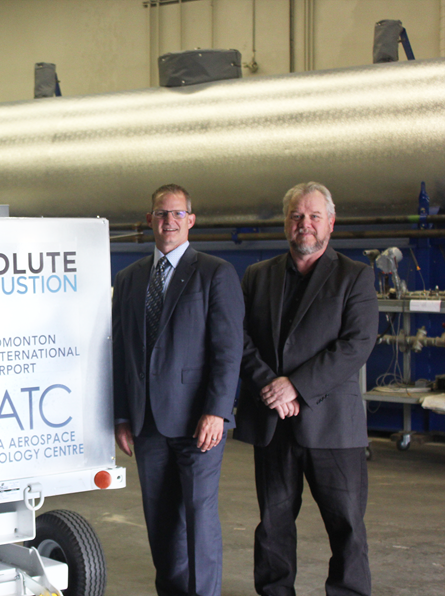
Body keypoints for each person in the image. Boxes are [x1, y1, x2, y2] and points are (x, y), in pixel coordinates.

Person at [236, 181, 379, 596]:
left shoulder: (355, 276)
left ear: (331, 222)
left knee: (346, 524)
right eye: (297, 216)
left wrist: (295, 387)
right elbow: (238, 338)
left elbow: (356, 345)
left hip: (332, 426)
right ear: (286, 222)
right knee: (273, 524)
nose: (305, 224)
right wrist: (269, 385)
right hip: (273, 423)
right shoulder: (257, 276)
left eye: (315, 216)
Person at [113, 184, 244, 596]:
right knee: (161, 521)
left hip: (198, 422)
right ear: (149, 220)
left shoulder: (214, 273)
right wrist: (121, 415)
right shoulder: (129, 279)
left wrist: (217, 411)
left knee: (199, 518)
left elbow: (228, 350)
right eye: (160, 213)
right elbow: (119, 351)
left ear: (191, 220)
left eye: (176, 213)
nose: (168, 221)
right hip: (147, 423)